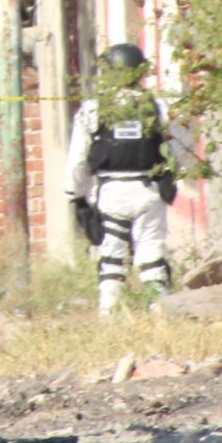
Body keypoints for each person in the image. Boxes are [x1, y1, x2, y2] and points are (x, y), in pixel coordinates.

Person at [65, 41, 177, 314]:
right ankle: (158, 309)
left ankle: (110, 315)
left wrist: (76, 195)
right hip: (148, 189)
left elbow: (78, 158)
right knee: (151, 253)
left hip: (110, 192)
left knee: (111, 257)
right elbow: (179, 147)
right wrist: (171, 177)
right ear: (139, 72)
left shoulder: (94, 108)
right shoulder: (157, 106)